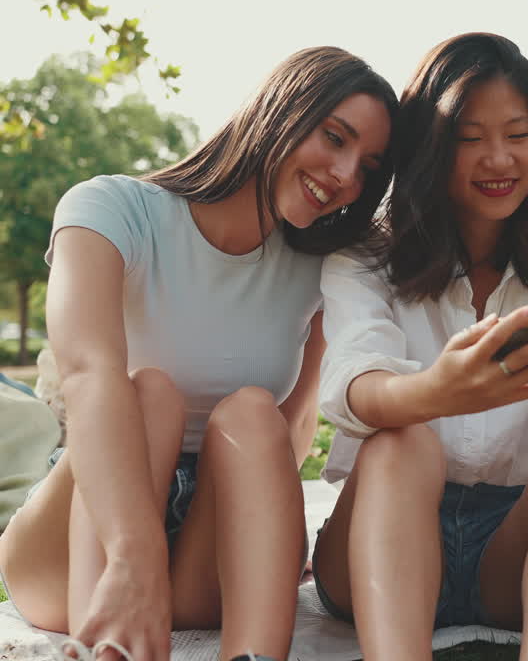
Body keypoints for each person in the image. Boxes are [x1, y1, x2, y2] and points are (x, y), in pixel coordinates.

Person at [0, 47, 396, 661]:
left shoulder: (324, 267)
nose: (346, 175)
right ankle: (107, 636)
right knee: (149, 393)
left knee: (252, 411)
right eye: (334, 137)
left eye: (368, 167)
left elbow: (290, 430)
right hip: (84, 526)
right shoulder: (110, 209)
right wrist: (136, 551)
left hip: (212, 547)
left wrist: (276, 538)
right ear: (281, 108)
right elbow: (88, 377)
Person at [310, 32, 528, 661]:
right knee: (401, 434)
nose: (498, 159)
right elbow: (351, 383)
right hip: (377, 538)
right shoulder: (364, 258)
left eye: (518, 135)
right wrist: (439, 390)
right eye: (469, 139)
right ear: (430, 149)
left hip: (512, 553)